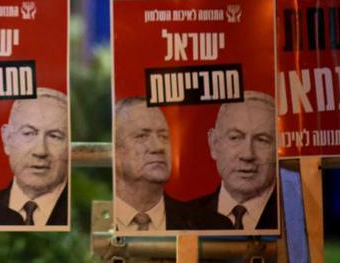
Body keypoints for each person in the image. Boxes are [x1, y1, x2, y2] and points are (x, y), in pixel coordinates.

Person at [113, 97, 227, 231]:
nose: (158, 147)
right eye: (142, 136)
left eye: (163, 136)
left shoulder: (213, 225)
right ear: (115, 149)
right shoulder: (94, 222)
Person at [0, 88, 69, 226]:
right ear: (7, 139)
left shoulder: (80, 213)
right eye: (28, 133)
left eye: (54, 136)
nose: (40, 151)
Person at [189, 91, 278, 230]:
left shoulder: (295, 217)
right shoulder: (185, 218)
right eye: (235, 138)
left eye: (262, 140)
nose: (248, 155)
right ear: (214, 144)